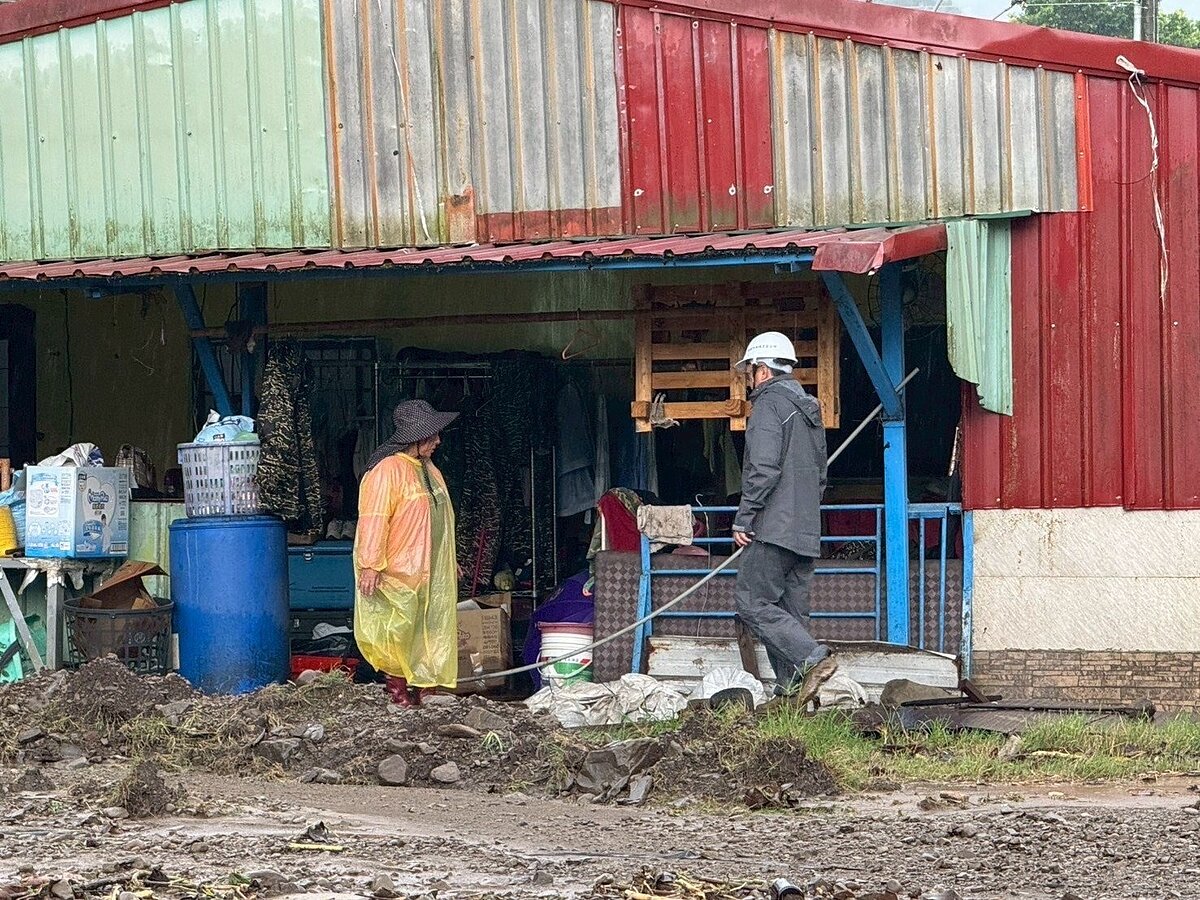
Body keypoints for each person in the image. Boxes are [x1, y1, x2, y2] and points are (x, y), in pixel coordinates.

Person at [732, 332, 837, 705]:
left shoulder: (770, 406)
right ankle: (792, 694)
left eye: (749, 371)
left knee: (752, 601)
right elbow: (821, 475)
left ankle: (813, 657)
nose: (748, 379)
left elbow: (762, 469)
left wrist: (745, 518)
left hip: (773, 529)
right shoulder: (809, 408)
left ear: (762, 370)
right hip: (805, 529)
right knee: (789, 612)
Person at [354, 400, 460, 707]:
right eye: (433, 434)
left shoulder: (430, 470)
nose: (438, 441)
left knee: (430, 630)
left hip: (430, 571)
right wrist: (371, 564)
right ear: (416, 436)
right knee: (397, 633)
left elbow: (439, 521)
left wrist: (447, 560)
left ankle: (426, 694)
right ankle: (399, 696)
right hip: (397, 571)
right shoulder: (388, 470)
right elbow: (374, 517)